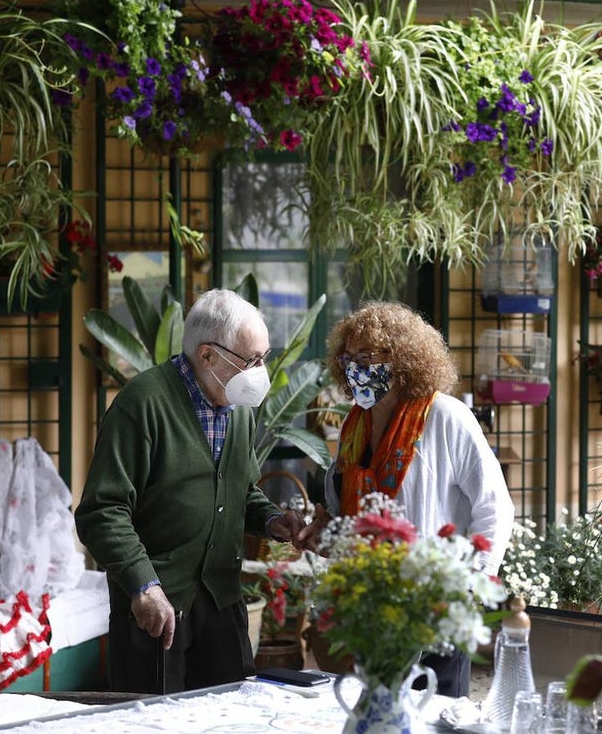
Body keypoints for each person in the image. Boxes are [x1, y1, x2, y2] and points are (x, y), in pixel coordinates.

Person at [76, 288, 311, 694]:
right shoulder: (142, 404)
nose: (260, 371)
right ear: (207, 356)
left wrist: (272, 520)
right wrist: (143, 586)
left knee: (232, 716)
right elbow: (102, 510)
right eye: (251, 360)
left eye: (264, 358)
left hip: (222, 600)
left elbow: (241, 489)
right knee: (155, 721)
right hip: (157, 607)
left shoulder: (238, 408)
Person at [313, 301, 515, 697]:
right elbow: (346, 513)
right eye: (348, 356)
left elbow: (496, 507)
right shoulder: (355, 423)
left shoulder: (446, 417)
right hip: (369, 612)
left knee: (433, 718)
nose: (356, 366)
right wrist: (325, 530)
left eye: (368, 356)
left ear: (403, 358)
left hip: (433, 612)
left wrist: (470, 584)